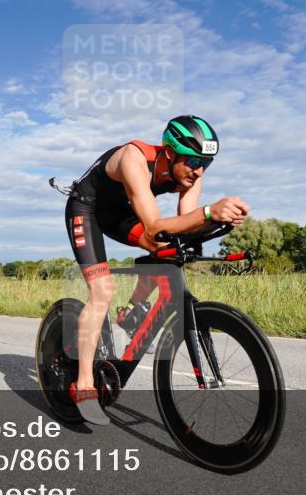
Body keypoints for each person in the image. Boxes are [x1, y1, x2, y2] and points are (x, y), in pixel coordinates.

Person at [62, 115, 250, 425]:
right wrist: (208, 212)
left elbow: (184, 224)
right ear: (168, 152)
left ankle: (132, 311)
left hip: (123, 213)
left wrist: (216, 220)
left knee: (168, 247)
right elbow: (153, 226)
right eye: (192, 160)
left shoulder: (192, 174)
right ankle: (83, 384)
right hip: (88, 209)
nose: (199, 169)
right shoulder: (133, 158)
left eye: (206, 162)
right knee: (102, 291)